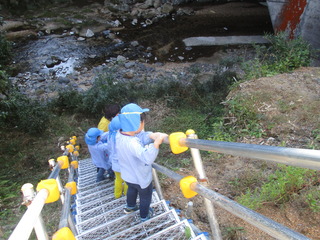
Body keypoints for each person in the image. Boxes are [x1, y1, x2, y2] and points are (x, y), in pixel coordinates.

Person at [116, 103, 168, 222]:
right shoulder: (132, 143)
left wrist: (151, 135)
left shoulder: (120, 135)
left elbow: (139, 136)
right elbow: (147, 157)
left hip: (128, 175)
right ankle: (144, 216)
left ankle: (130, 207)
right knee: (145, 196)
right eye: (143, 122)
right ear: (137, 123)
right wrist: (156, 143)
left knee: (132, 190)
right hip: (140, 178)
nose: (144, 124)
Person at [108, 115, 128, 199]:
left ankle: (117, 195)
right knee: (127, 180)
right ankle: (127, 194)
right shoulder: (122, 138)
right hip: (124, 163)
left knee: (118, 179)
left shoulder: (111, 136)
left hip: (115, 164)